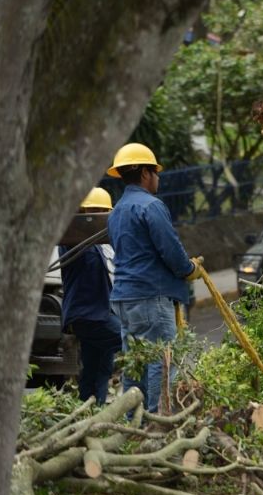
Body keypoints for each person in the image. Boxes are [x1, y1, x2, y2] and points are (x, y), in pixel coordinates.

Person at [106, 143, 202, 413]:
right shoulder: (151, 206)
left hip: (124, 299)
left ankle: (132, 424)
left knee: (134, 364)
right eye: (156, 173)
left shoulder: (116, 213)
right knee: (161, 363)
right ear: (146, 174)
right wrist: (188, 269)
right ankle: (157, 425)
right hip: (150, 296)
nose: (158, 178)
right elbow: (170, 249)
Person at [58, 188, 122, 404]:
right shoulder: (73, 240)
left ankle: (91, 415)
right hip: (89, 315)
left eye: (104, 214)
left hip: (102, 312)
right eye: (96, 213)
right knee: (134, 343)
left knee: (98, 369)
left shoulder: (104, 244)